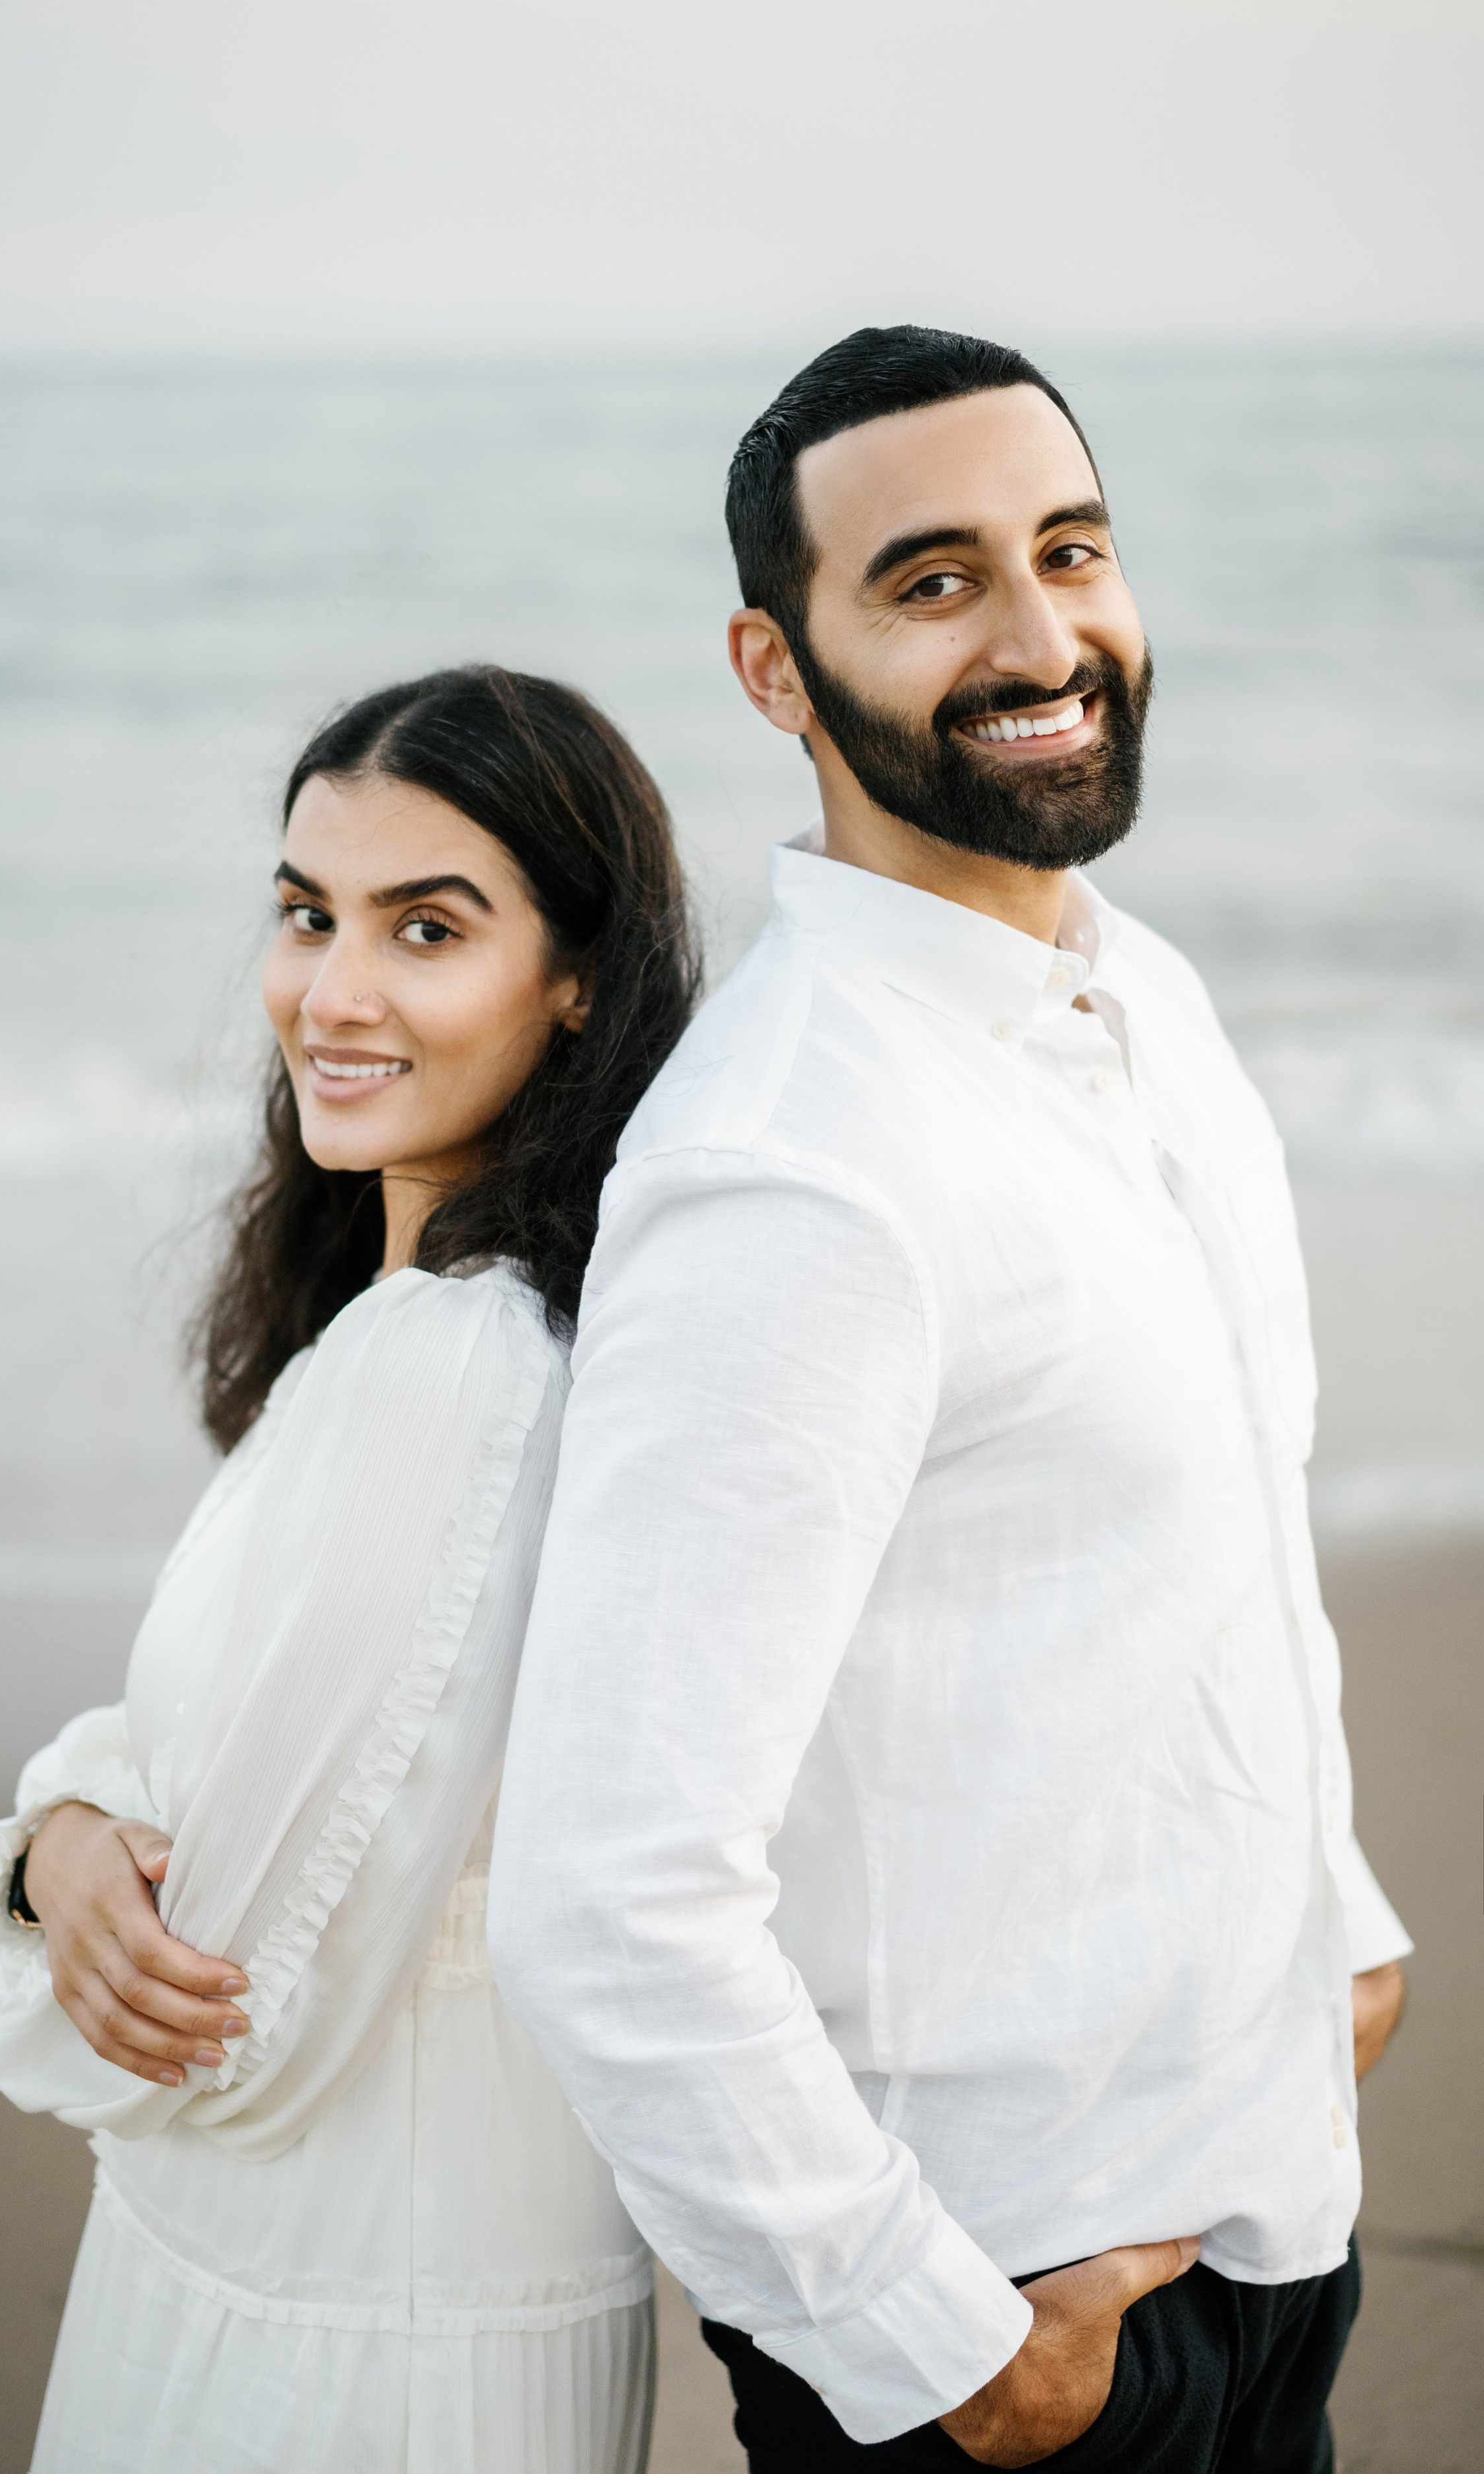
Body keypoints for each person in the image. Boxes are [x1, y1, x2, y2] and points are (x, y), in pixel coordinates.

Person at [488, 329, 1410, 2472]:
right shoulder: (797, 1164)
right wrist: (940, 2344)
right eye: (930, 581)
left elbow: (1209, 1547)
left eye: (1070, 550)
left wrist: (1335, 1932)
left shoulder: (1140, 993)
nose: (1039, 634)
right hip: (1017, 2314)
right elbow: (609, 1889)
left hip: (1259, 2221)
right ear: (774, 666)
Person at [0, 666, 698, 2474]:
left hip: (353, 2346)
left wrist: (66, 1851)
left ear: (580, 976)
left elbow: (214, 2016)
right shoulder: (429, 1325)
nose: (333, 992)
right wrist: (65, 1833)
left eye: (426, 927)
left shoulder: (455, 1363)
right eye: (307, 914)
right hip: (356, 2280)